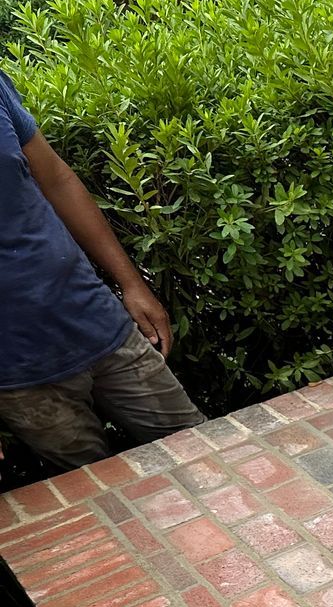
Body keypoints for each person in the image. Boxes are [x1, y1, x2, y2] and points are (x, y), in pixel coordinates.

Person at [0, 66, 204, 470]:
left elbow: (56, 179)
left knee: (204, 452)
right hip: (19, 375)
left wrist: (131, 283)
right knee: (95, 498)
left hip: (95, 319)